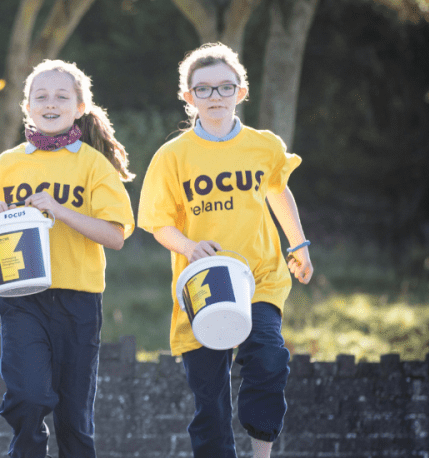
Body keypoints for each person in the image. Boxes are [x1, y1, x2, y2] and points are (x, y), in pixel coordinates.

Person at [137, 42, 314, 458]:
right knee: (210, 401)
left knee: (269, 360)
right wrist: (190, 246)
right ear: (188, 97)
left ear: (241, 91)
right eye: (204, 89)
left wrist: (299, 244)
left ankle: (261, 453)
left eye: (224, 87)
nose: (215, 97)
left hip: (261, 277)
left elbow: (278, 191)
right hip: (202, 285)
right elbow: (157, 222)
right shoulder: (171, 157)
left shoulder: (264, 145)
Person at [0, 59, 135, 458]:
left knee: (75, 422)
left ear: (80, 106)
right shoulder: (8, 163)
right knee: (27, 398)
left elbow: (115, 235)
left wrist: (60, 210)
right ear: (26, 107)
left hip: (78, 301)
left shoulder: (93, 163)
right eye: (40, 96)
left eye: (62, 96)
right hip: (21, 297)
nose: (50, 103)